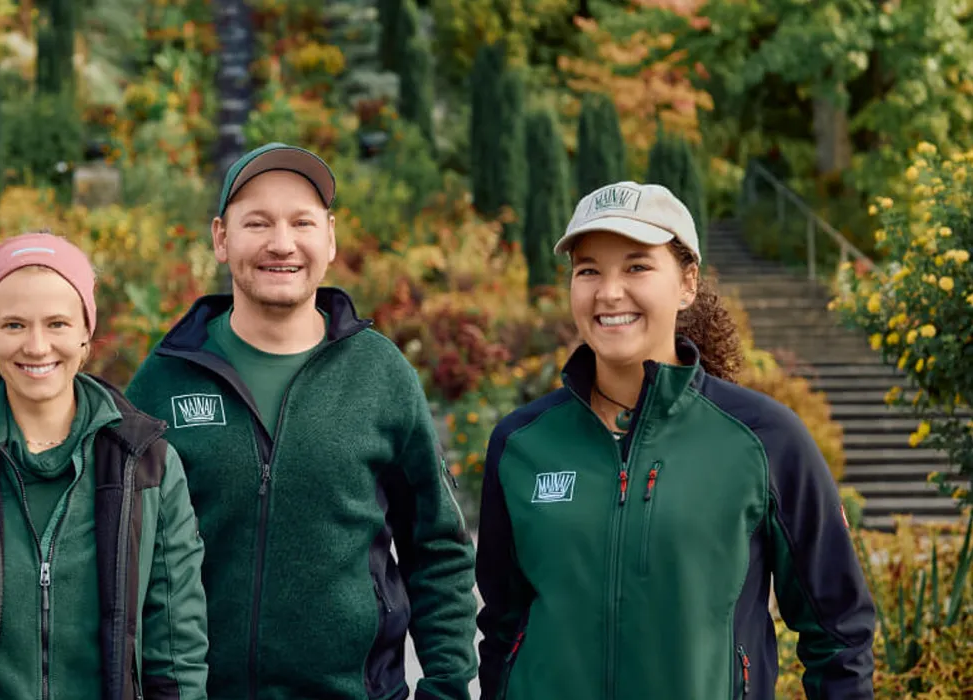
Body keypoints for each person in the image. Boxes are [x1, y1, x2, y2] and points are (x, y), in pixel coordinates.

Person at [474, 182, 875, 699]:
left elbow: (839, 631)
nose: (609, 291)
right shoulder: (521, 444)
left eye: (637, 267)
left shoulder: (764, 441)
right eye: (588, 269)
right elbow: (503, 628)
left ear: (687, 283)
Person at [125, 143, 477, 699]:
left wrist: (448, 687)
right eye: (257, 222)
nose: (281, 243)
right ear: (221, 238)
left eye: (302, 222)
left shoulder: (380, 375)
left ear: (329, 237)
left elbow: (438, 548)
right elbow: (122, 560)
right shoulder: (164, 383)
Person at [0, 232, 209, 700]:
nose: (37, 345)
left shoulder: (146, 466)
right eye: (14, 325)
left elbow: (176, 651)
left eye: (57, 324)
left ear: (87, 331)